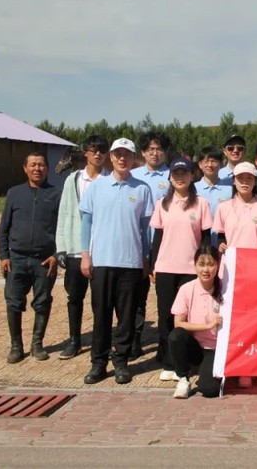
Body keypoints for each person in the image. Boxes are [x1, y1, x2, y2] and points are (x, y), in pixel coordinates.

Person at [79, 137, 154, 385]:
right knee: (101, 315)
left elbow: (146, 229)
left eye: (127, 155)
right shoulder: (97, 187)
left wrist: (146, 258)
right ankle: (98, 363)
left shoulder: (142, 189)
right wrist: (85, 255)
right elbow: (86, 223)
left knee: (126, 317)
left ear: (134, 159)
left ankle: (121, 362)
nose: (123, 159)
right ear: (111, 157)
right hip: (102, 261)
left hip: (131, 263)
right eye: (118, 154)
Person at [211, 161, 257, 389]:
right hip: (229, 273)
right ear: (234, 181)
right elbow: (220, 237)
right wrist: (221, 245)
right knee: (229, 318)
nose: (245, 182)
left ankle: (248, 367)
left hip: (256, 274)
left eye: (249, 178)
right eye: (240, 178)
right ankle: (227, 362)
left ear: (255, 181)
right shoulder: (223, 208)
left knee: (252, 320)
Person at [149, 157, 213, 381]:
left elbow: (205, 239)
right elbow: (157, 238)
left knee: (189, 316)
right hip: (166, 267)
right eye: (175, 174)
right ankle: (169, 362)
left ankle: (188, 360)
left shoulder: (201, 203)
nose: (179, 178)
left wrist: (206, 265)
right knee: (166, 315)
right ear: (170, 177)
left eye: (184, 173)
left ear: (191, 176)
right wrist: (153, 265)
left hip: (190, 270)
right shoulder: (163, 204)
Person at [0, 152, 61, 363]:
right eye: (33, 165)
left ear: (47, 168)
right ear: (25, 168)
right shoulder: (14, 193)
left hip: (44, 261)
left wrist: (56, 255)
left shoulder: (56, 194)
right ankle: (16, 346)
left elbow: (63, 229)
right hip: (16, 259)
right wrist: (4, 255)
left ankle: (37, 343)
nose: (37, 169)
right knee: (13, 302)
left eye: (41, 165)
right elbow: (4, 228)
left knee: (42, 302)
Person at [55, 135, 109, 360]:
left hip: (102, 251)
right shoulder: (73, 179)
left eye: (102, 150)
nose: (98, 154)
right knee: (75, 298)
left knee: (101, 301)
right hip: (76, 248)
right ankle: (74, 340)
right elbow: (64, 212)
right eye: (93, 150)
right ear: (85, 152)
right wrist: (61, 246)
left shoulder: (110, 180)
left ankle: (100, 342)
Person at [130, 131, 171, 359]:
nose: (155, 153)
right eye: (151, 149)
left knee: (167, 297)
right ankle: (135, 338)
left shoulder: (174, 175)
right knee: (137, 294)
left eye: (159, 149)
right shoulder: (133, 175)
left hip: (166, 245)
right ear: (143, 152)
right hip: (138, 243)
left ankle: (167, 344)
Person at [168, 244, 224, 399]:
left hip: (215, 349)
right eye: (201, 264)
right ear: (195, 265)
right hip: (195, 346)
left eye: (210, 264)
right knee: (176, 336)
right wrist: (208, 325)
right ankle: (183, 378)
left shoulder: (225, 288)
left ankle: (210, 371)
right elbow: (178, 323)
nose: (205, 270)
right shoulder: (186, 289)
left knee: (209, 390)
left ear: (218, 265)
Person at [194, 145, 232, 246]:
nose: (210, 165)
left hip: (223, 243)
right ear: (200, 164)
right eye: (206, 161)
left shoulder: (230, 190)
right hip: (199, 244)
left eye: (214, 161)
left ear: (221, 164)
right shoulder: (193, 189)